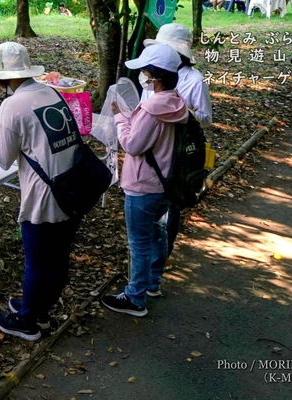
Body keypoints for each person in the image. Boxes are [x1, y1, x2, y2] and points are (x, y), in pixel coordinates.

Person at [0, 42, 81, 341]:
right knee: (59, 257)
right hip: (72, 186)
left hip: (45, 196)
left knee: (38, 259)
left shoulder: (13, 105)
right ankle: (41, 309)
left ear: (0, 79)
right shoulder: (50, 92)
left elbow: (1, 157)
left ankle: (28, 321)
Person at [101, 43, 187, 317]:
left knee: (138, 241)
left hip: (142, 185)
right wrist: (131, 119)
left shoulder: (152, 108)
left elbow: (132, 145)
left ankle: (135, 298)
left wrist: (118, 118)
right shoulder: (175, 102)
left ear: (156, 77)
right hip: (165, 181)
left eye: (146, 72)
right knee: (157, 233)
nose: (143, 77)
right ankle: (152, 283)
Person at [142, 23, 213, 263]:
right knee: (149, 204)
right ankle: (148, 260)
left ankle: (160, 261)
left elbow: (206, 119)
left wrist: (180, 111)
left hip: (177, 153)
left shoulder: (194, 80)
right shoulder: (150, 74)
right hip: (150, 148)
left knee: (170, 207)